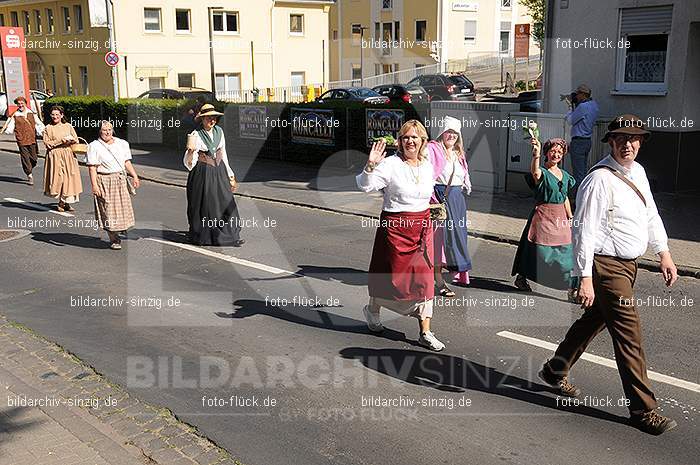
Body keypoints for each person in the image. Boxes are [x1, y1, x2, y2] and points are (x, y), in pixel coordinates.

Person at [540, 114, 679, 435]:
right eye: (620, 139)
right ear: (611, 142)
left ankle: (554, 370)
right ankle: (643, 410)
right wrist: (584, 276)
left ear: (641, 142)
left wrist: (664, 252)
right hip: (606, 267)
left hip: (628, 266)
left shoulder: (638, 172)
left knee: (593, 320)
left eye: (633, 139)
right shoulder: (598, 180)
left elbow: (650, 214)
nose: (627, 144)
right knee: (630, 336)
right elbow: (583, 230)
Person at [356, 120, 445, 351]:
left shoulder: (427, 165)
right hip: (395, 228)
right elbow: (365, 186)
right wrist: (370, 166)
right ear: (400, 141)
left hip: (422, 228)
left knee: (424, 280)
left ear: (422, 141)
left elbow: (427, 194)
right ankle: (373, 310)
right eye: (406, 137)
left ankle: (425, 331)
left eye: (415, 137)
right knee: (391, 278)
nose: (410, 141)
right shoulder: (390, 164)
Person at [512, 138, 578, 300]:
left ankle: (572, 288)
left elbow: (564, 197)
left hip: (560, 217)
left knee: (567, 252)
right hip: (543, 217)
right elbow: (535, 173)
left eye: (560, 152)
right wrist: (536, 155)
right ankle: (522, 277)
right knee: (536, 252)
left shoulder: (565, 175)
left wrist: (570, 217)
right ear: (547, 153)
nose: (556, 154)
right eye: (553, 151)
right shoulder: (542, 171)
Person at [183, 104, 244, 247]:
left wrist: (230, 175)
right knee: (207, 206)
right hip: (203, 172)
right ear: (203, 119)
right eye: (209, 118)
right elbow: (188, 162)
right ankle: (207, 236)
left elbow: (223, 155)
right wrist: (191, 152)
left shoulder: (219, 132)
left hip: (219, 171)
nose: (212, 120)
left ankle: (231, 235)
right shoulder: (195, 134)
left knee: (226, 201)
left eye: (214, 118)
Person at [426, 116, 473, 297]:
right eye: (448, 131)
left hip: (456, 200)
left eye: (455, 132)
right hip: (439, 198)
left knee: (457, 239)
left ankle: (456, 271)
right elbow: (427, 174)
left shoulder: (458, 153)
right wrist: (432, 198)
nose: (452, 135)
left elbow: (463, 177)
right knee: (439, 240)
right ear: (442, 133)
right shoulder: (432, 149)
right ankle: (438, 280)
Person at [86, 121, 140, 250]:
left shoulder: (122, 143)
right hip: (104, 180)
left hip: (120, 179)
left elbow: (126, 162)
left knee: (122, 208)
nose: (107, 132)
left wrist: (135, 175)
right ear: (100, 131)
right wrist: (94, 185)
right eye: (104, 130)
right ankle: (114, 238)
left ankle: (120, 228)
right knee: (108, 209)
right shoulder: (94, 146)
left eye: (109, 129)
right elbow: (92, 168)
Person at [42, 106, 82, 212]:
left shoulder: (68, 126)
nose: (55, 117)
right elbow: (48, 144)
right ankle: (61, 201)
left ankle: (65, 202)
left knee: (69, 178)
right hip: (55, 156)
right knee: (59, 179)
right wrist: (60, 141)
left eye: (57, 114)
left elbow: (76, 139)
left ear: (62, 115)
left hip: (68, 154)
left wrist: (70, 141)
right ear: (50, 116)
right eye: (53, 114)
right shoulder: (48, 128)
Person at [3, 96, 45, 185]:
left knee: (34, 158)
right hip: (21, 139)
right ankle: (29, 174)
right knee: (25, 157)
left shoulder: (31, 113)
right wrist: (8, 131)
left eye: (22, 103)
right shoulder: (15, 115)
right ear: (17, 105)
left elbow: (38, 124)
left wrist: (43, 131)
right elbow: (11, 125)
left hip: (32, 138)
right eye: (19, 104)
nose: (21, 105)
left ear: (25, 104)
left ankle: (30, 167)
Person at [565, 84, 599, 192]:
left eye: (578, 94)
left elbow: (570, 121)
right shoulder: (594, 105)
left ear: (583, 94)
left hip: (578, 141)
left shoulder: (583, 107)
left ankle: (578, 199)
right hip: (587, 141)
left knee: (578, 174)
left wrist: (570, 107)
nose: (576, 96)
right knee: (583, 171)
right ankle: (584, 195)